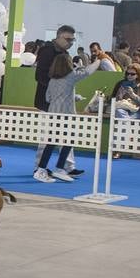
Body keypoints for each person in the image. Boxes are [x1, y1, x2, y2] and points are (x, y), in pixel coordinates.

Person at [34, 51, 100, 183]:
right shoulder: (71, 76)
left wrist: (73, 97)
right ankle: (57, 168)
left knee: (52, 143)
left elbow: (49, 98)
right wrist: (98, 61)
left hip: (53, 114)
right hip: (67, 115)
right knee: (68, 141)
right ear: (68, 64)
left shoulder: (52, 80)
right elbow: (87, 72)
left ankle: (44, 169)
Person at [32, 26, 75, 111]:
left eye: (73, 40)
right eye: (68, 39)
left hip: (59, 102)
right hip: (46, 102)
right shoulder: (48, 50)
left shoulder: (64, 53)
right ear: (59, 37)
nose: (71, 43)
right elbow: (40, 76)